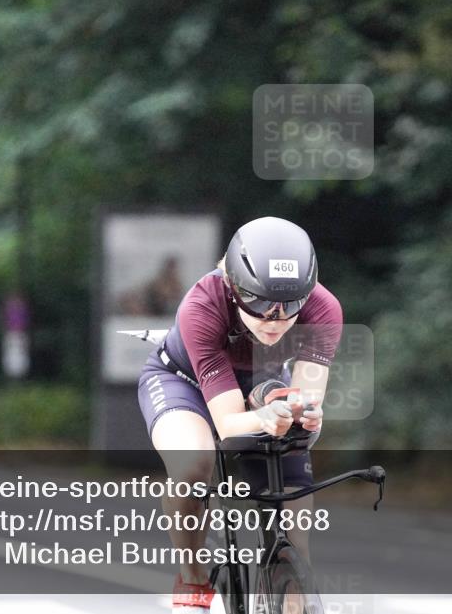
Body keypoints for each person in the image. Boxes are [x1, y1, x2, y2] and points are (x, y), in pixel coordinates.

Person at [136, 216, 343, 613]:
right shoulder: (202, 306)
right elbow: (229, 423)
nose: (275, 319)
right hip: (183, 382)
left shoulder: (324, 309)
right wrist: (265, 418)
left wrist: (302, 415)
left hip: (261, 384)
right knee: (192, 464)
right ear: (232, 284)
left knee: (294, 513)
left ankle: (293, 588)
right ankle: (193, 576)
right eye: (261, 302)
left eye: (290, 305)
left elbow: (306, 397)